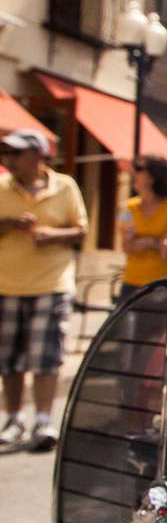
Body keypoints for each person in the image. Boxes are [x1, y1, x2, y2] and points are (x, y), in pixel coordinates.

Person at [0, 129, 87, 450]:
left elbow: (81, 230)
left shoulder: (65, 187)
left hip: (51, 284)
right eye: (7, 153)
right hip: (6, 284)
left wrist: (51, 234)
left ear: (38, 156)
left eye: (17, 153)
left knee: (45, 357)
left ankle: (43, 419)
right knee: (9, 359)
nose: (10, 160)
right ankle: (13, 418)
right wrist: (8, 224)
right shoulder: (1, 187)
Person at [118, 155, 167, 301]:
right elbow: (125, 246)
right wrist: (154, 242)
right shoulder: (128, 207)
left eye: (140, 170)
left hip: (166, 282)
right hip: (133, 280)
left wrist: (166, 243)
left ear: (152, 177)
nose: (135, 174)